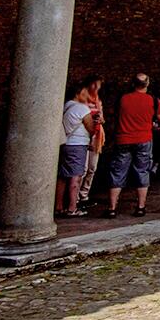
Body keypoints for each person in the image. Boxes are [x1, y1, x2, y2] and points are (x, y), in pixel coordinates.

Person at [107, 74, 160, 218]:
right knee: (142, 171)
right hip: (143, 139)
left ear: (133, 84)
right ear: (147, 84)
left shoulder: (123, 98)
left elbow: (114, 114)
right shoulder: (153, 100)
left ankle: (112, 208)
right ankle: (140, 207)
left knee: (118, 172)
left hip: (124, 138)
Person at [58, 75, 101, 218]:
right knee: (76, 177)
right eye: (84, 93)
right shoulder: (81, 108)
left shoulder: (65, 105)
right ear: (78, 94)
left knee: (63, 176)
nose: (86, 96)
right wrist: (96, 122)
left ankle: (58, 206)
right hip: (78, 144)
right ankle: (72, 208)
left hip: (65, 143)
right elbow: (91, 128)